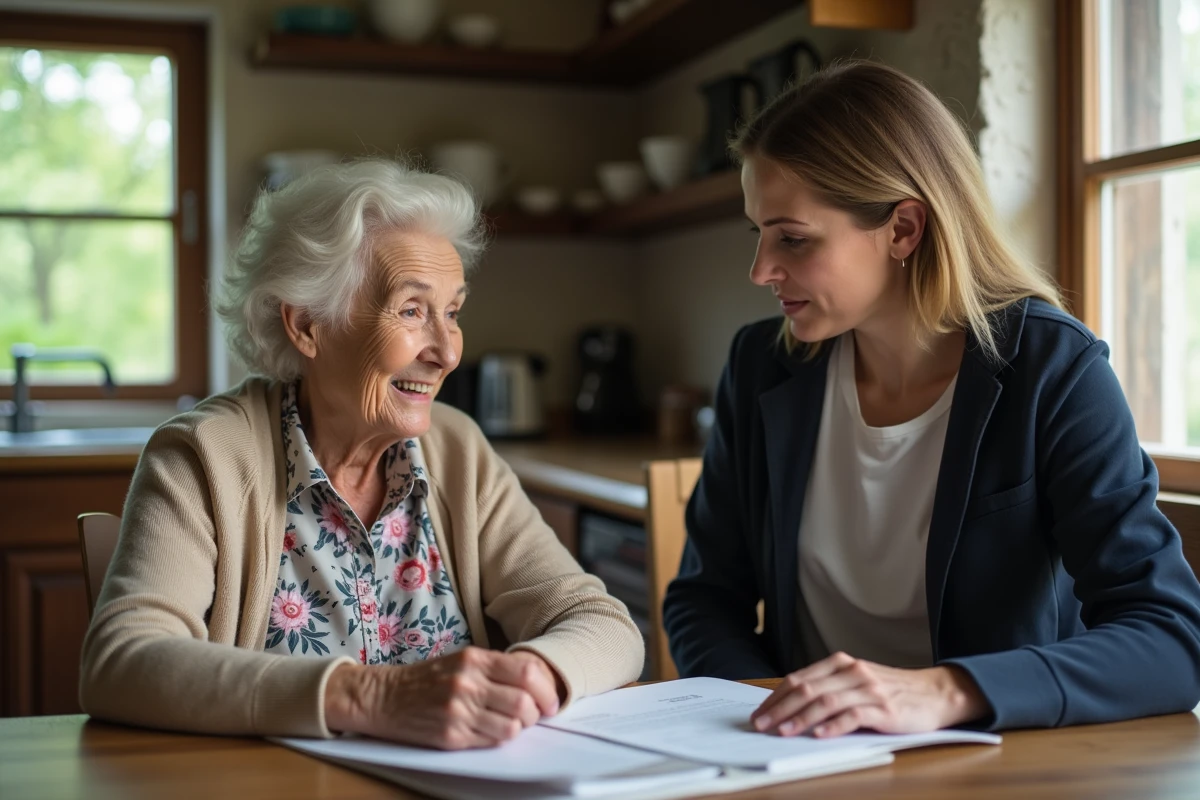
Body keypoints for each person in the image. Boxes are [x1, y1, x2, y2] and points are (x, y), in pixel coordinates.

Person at [663, 61, 1200, 738]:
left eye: (793, 239)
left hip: (999, 765)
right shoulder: (761, 366)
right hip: (806, 766)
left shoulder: (1053, 370)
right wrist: (770, 716)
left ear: (904, 230)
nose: (761, 270)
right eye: (759, 233)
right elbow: (705, 599)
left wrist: (946, 693)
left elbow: (1172, 638)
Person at [79, 159, 644, 749]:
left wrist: (532, 674)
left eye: (452, 312)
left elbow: (604, 625)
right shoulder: (203, 456)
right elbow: (122, 660)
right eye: (411, 310)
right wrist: (373, 697)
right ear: (306, 326)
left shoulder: (456, 449)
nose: (447, 351)